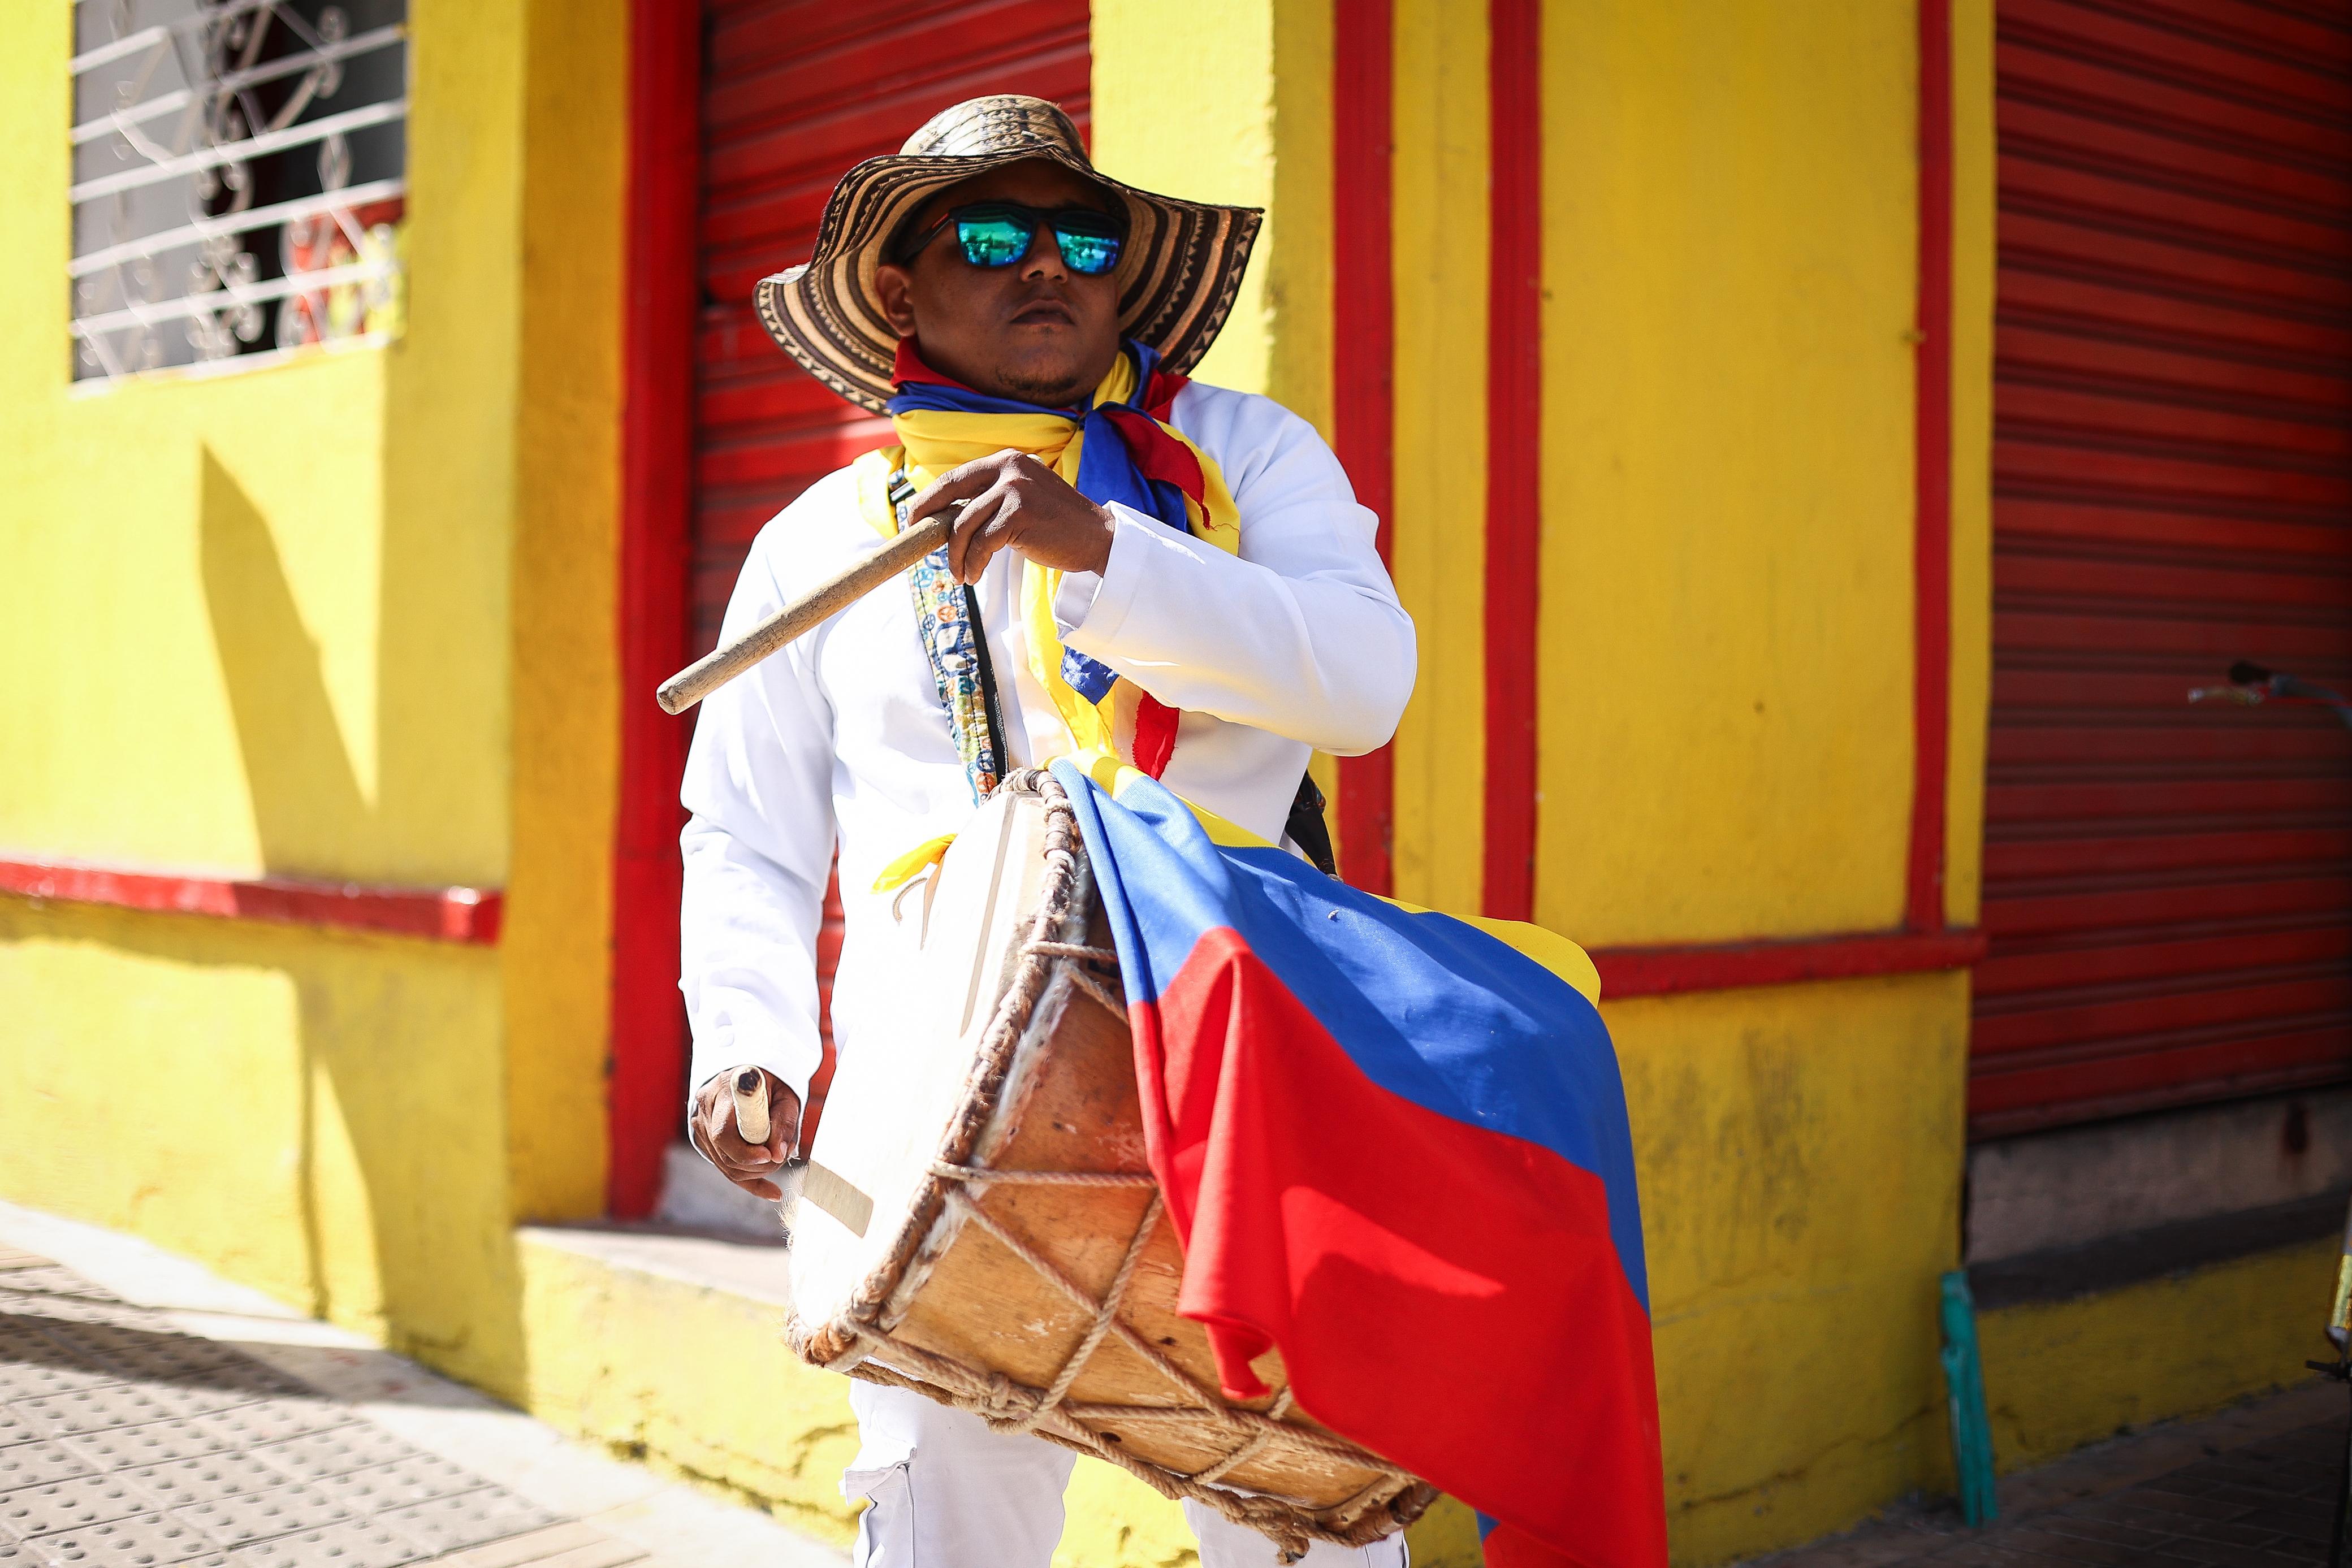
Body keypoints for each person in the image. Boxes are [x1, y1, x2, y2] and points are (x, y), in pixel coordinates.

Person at [678, 95, 1416, 1568]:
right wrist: (748, 1043)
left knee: (1300, 1522)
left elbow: (1364, 682)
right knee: (945, 1520)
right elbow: (747, 828)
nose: (1045, 266)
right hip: (928, 1099)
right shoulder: (817, 539)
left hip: (1234, 1072)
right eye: (991, 235)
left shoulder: (1242, 455)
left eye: (1084, 239)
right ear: (901, 292)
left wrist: (1102, 548)